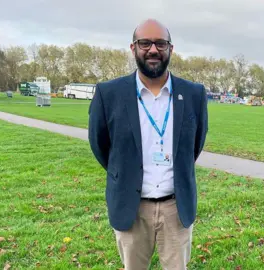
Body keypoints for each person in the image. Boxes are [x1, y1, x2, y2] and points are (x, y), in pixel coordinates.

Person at [88, 19, 208, 270]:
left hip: (176, 208)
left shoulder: (194, 94)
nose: (153, 50)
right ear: (133, 48)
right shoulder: (108, 94)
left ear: (170, 49)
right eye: (145, 43)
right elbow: (100, 146)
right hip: (131, 208)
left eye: (160, 43)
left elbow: (195, 145)